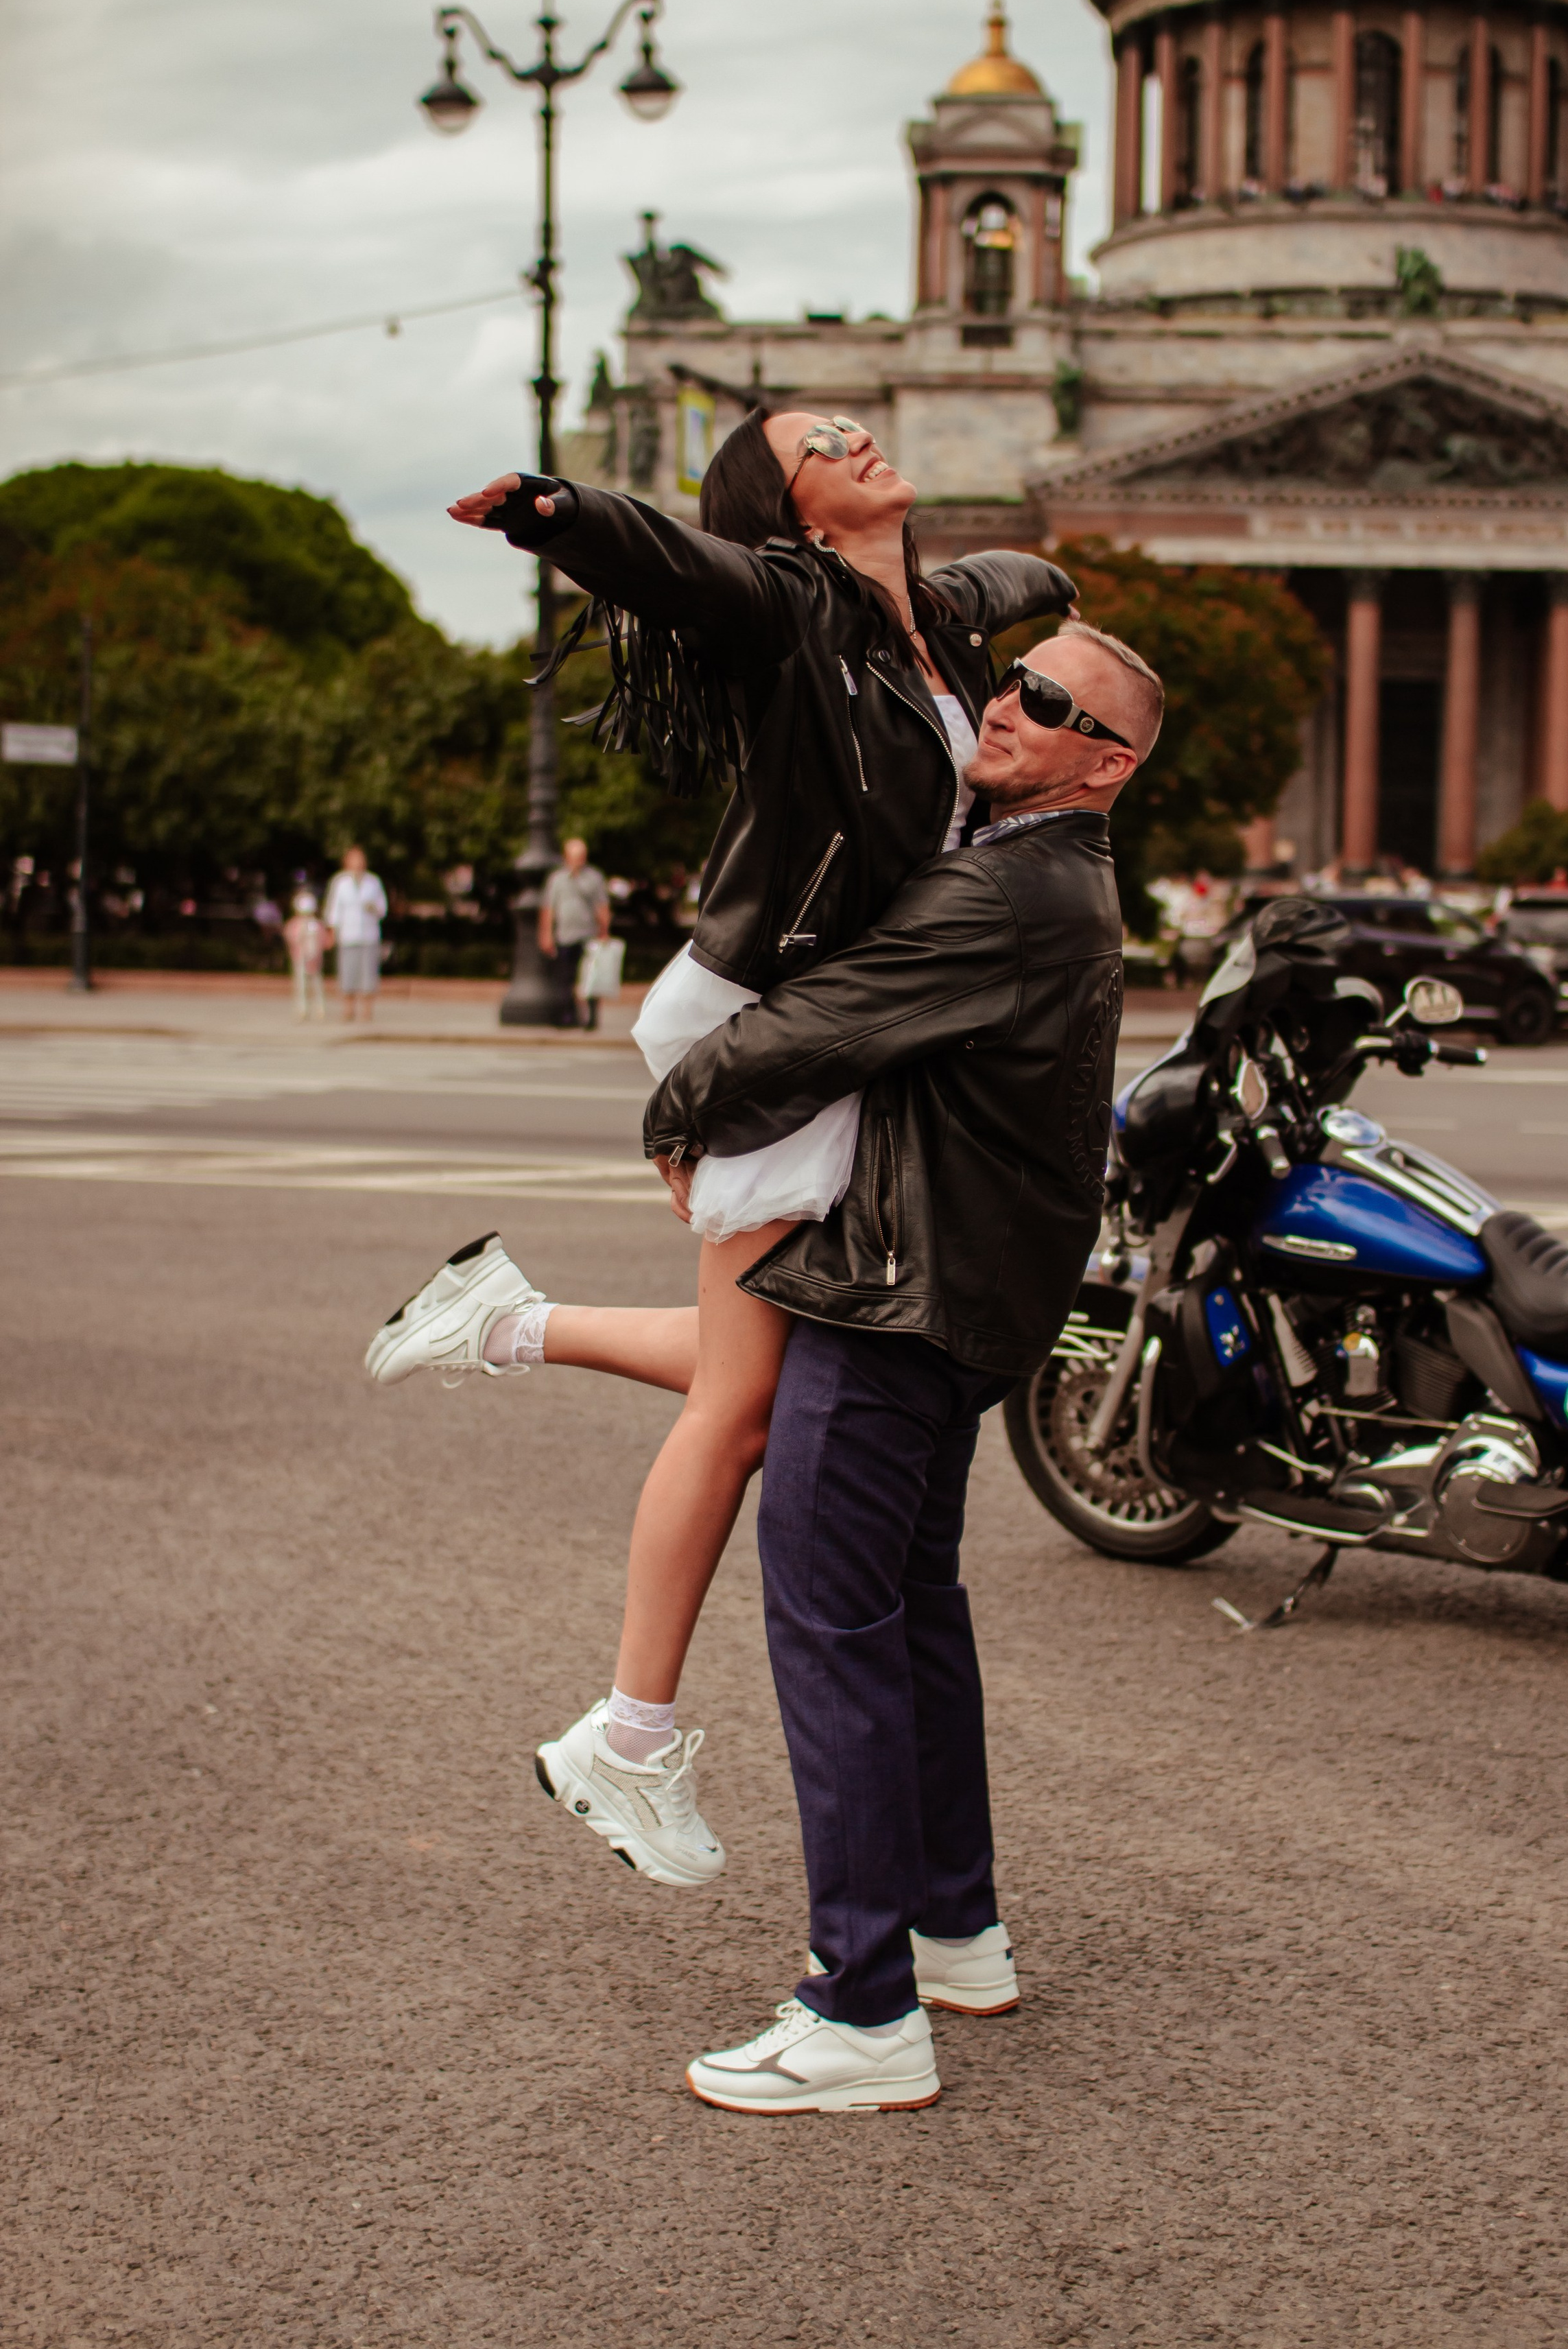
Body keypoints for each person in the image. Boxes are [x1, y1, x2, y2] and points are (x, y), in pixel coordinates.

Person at [365, 410, 1075, 1882]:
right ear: (791, 510)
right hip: (767, 1027)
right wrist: (557, 514)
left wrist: (1055, 613)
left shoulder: (929, 624)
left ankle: (508, 1320)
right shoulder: (796, 606)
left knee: (794, 1360)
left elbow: (1018, 581)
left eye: (857, 418)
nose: (859, 432)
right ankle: (624, 1742)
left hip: (832, 1024)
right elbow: (687, 574)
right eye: (824, 438)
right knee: (753, 1404)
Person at [645, 624, 1158, 2110]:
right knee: (909, 1616)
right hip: (964, 1293)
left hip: (896, 1294)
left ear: (1107, 761)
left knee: (831, 1630)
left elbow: (825, 1017)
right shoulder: (1052, 877)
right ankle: (953, 1931)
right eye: (1011, 681)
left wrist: (677, 1103)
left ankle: (859, 2011)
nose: (1008, 706)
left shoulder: (1004, 885)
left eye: (1048, 704)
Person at [540, 836, 611, 1030]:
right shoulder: (557, 879)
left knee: (591, 979)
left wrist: (604, 932)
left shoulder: (594, 878)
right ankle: (568, 1016)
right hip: (565, 936)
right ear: (566, 857)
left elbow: (602, 907)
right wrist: (546, 934)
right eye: (574, 856)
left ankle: (591, 1018)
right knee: (566, 979)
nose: (578, 860)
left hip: (589, 936)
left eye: (581, 856)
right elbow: (549, 909)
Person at [323, 846, 388, 1024]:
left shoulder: (374, 882)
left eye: (361, 859)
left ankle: (367, 1011)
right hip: (348, 935)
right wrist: (331, 933)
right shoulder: (340, 882)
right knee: (347, 972)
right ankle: (348, 1010)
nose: (358, 863)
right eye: (354, 859)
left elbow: (383, 908)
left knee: (368, 974)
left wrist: (374, 908)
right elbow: (334, 910)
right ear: (347, 862)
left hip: (369, 934)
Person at [283, 886, 326, 1021]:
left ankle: (320, 1008)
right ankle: (302, 1008)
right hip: (300, 957)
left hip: (315, 958)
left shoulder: (316, 924)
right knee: (301, 985)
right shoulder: (295, 924)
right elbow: (291, 937)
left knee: (316, 984)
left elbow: (322, 940)